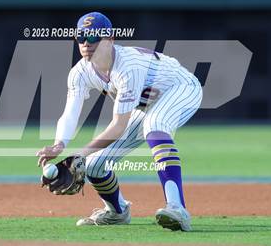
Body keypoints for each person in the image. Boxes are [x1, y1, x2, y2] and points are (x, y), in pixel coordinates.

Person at [36, 12, 202, 231]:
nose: (87, 43)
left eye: (94, 37)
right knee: (94, 165)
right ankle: (117, 212)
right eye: (81, 37)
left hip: (181, 88)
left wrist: (77, 156)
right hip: (145, 105)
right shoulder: (79, 72)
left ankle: (177, 208)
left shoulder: (127, 67)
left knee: (155, 125)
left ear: (111, 38)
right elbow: (70, 113)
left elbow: (118, 127)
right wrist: (60, 145)